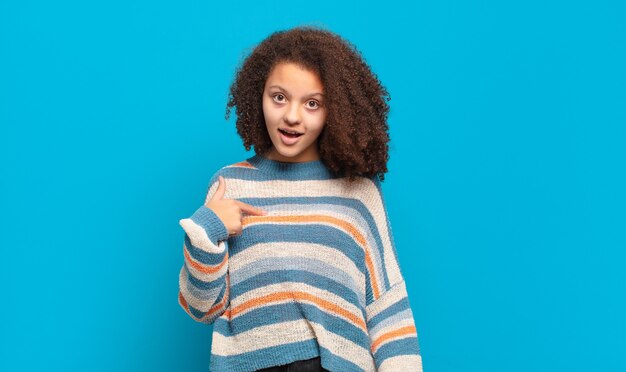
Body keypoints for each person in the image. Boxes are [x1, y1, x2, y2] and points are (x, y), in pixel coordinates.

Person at [177, 25, 424, 371]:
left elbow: (387, 306)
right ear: (258, 95)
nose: (292, 116)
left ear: (334, 110)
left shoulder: (358, 194)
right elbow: (201, 306)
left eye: (312, 103)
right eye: (279, 97)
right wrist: (207, 228)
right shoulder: (230, 184)